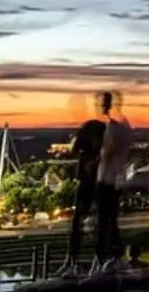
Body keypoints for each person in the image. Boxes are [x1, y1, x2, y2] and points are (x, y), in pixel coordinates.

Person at [55, 112, 106, 279]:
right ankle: (73, 262)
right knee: (79, 227)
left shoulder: (98, 157)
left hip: (96, 192)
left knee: (93, 228)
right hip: (88, 191)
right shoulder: (87, 157)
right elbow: (84, 178)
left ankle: (94, 262)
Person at [94, 90, 135, 275]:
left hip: (108, 180)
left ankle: (107, 259)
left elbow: (107, 153)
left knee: (105, 220)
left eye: (103, 103)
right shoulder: (123, 125)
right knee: (110, 220)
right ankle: (113, 258)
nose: (100, 107)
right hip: (115, 180)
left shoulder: (115, 128)